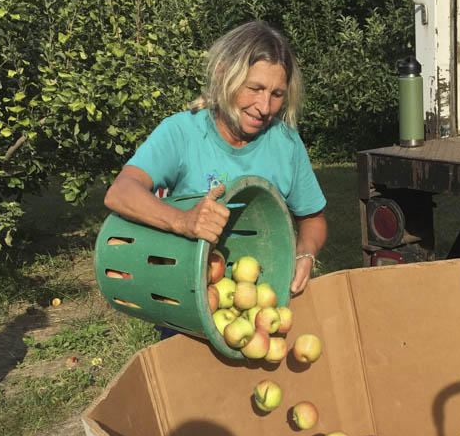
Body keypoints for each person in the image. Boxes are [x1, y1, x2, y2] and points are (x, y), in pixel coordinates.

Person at [103, 20, 327, 295]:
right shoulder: (183, 132)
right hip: (189, 292)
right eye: (254, 88)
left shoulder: (286, 144)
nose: (264, 107)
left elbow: (313, 219)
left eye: (277, 94)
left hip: (260, 297)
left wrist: (305, 254)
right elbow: (121, 192)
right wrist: (183, 221)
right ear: (222, 75)